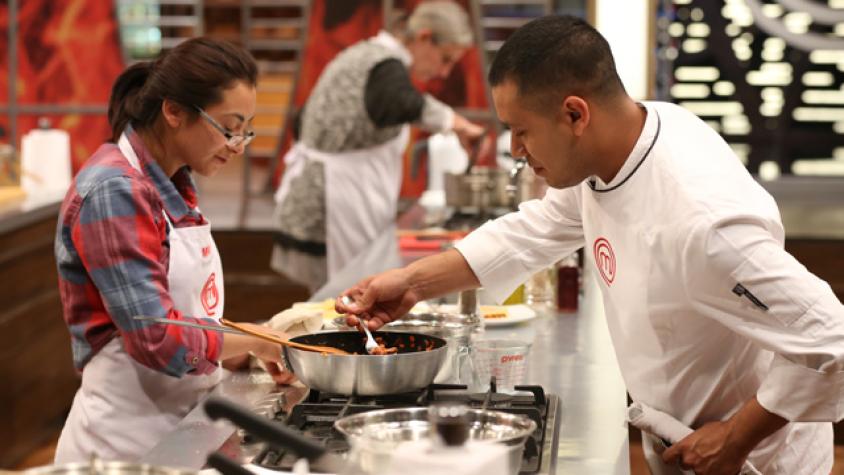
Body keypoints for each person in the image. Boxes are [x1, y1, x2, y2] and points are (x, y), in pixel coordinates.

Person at [336, 15, 844, 475]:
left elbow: (831, 338)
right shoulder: (616, 150)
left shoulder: (703, 223)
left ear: (575, 115)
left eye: (520, 131)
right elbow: (535, 229)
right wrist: (412, 283)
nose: (515, 150)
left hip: (755, 461)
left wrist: (736, 437)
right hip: (684, 438)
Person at [53, 38, 295, 463]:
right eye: (228, 127)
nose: (238, 145)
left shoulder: (175, 181)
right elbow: (157, 337)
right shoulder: (116, 190)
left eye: (246, 129)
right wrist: (250, 340)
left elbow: (179, 308)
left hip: (180, 423)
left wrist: (240, 347)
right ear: (174, 111)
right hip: (123, 445)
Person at [271, 0, 489, 292]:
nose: (444, 72)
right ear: (424, 37)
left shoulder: (370, 57)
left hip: (332, 193)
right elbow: (401, 101)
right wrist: (457, 123)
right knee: (342, 295)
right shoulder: (383, 64)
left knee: (338, 294)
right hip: (334, 200)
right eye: (446, 59)